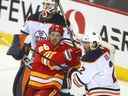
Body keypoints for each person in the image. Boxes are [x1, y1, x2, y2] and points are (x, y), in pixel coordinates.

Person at [6, 0, 72, 96]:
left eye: (48, 4)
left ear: (55, 5)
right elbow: (23, 35)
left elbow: (67, 45)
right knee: (22, 89)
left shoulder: (63, 23)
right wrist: (19, 47)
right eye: (44, 4)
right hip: (34, 61)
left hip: (52, 64)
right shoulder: (32, 18)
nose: (45, 6)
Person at [24, 24, 81, 96]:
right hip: (34, 83)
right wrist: (67, 55)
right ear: (49, 35)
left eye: (58, 35)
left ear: (61, 37)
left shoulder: (66, 48)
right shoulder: (42, 44)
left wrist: (76, 56)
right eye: (53, 34)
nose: (55, 38)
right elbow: (49, 60)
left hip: (52, 85)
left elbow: (76, 65)